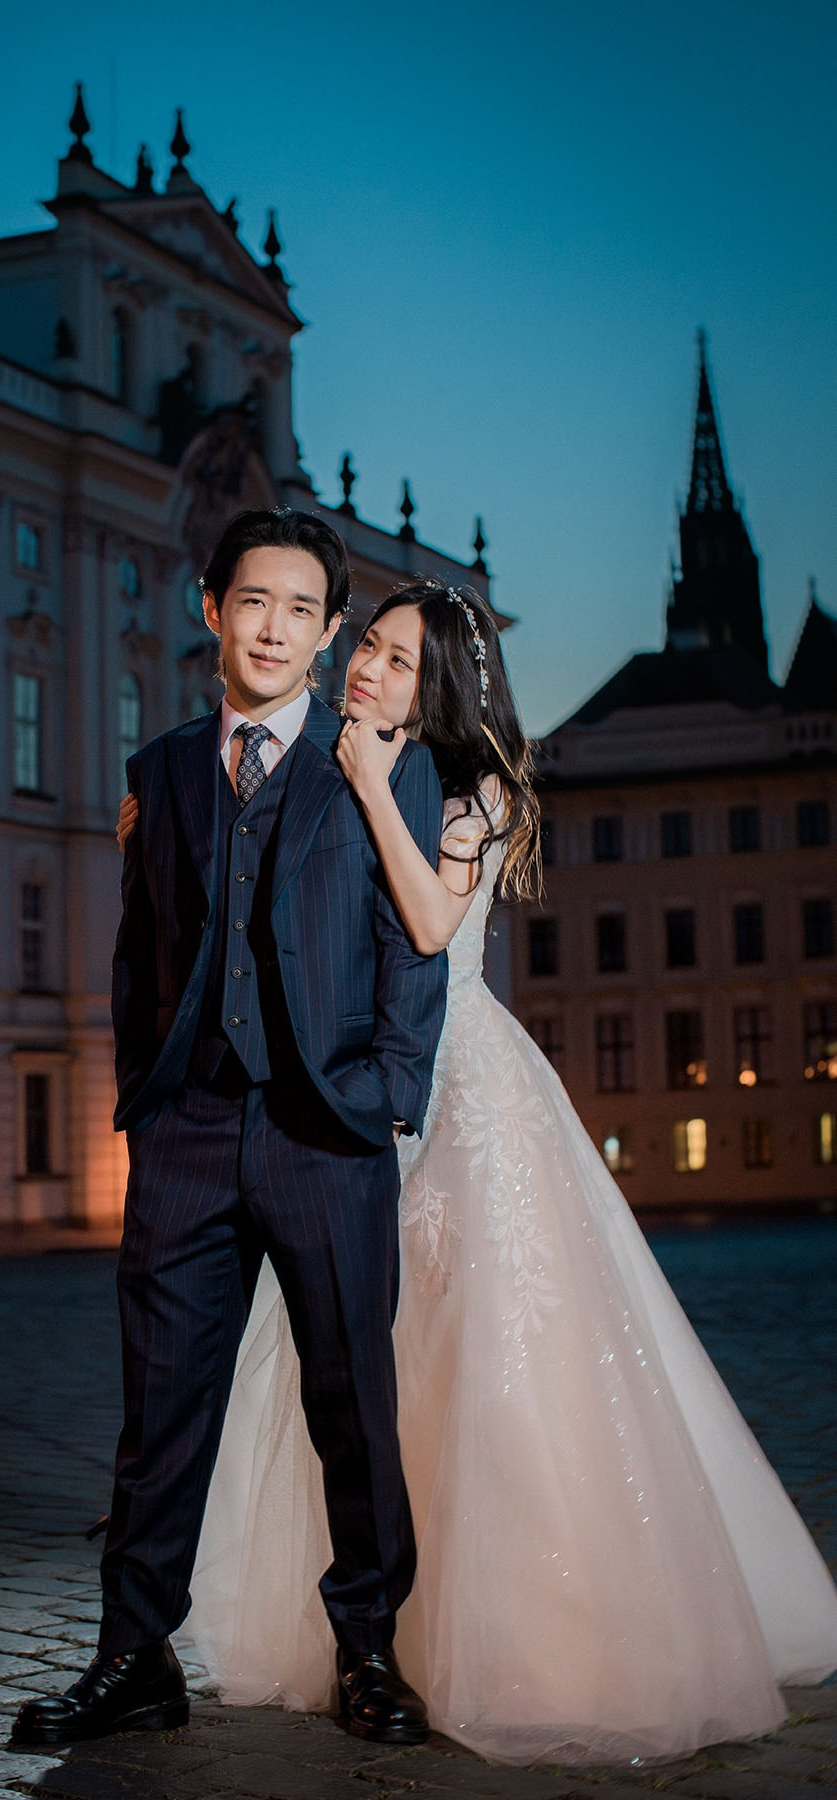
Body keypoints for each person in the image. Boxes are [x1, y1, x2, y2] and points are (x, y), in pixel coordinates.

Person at [124, 579, 837, 1766]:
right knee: (370, 1364)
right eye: (368, 647)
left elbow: (427, 926)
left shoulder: (474, 788)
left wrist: (365, 784)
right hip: (350, 1090)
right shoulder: (328, 762)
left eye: (399, 660)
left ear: (441, 685)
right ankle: (380, 1633)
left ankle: (523, 1633)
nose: (367, 669)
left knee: (495, 1354)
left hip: (462, 1090)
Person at [9, 511, 448, 1750]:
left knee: (350, 1400)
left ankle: (368, 1651)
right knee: (161, 1403)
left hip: (328, 1127)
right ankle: (133, 1655)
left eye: (302, 610)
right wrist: (145, 1099)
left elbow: (411, 946)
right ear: (212, 609)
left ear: (328, 631)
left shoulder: (381, 763)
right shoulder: (158, 771)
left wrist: (388, 1091)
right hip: (189, 1130)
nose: (274, 629)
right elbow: (139, 952)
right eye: (254, 602)